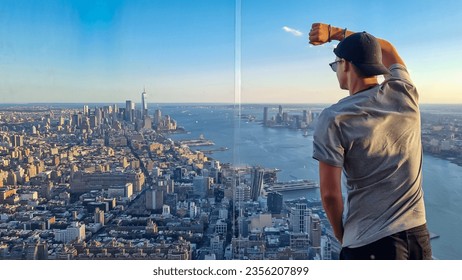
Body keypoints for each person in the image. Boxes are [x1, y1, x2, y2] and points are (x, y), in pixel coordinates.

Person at [308, 23, 432, 260]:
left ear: (347, 64)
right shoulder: (404, 93)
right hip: (417, 236)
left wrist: (341, 235)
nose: (336, 70)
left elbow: (330, 194)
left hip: (368, 243)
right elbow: (388, 49)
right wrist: (335, 33)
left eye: (336, 64)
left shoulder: (335, 117)